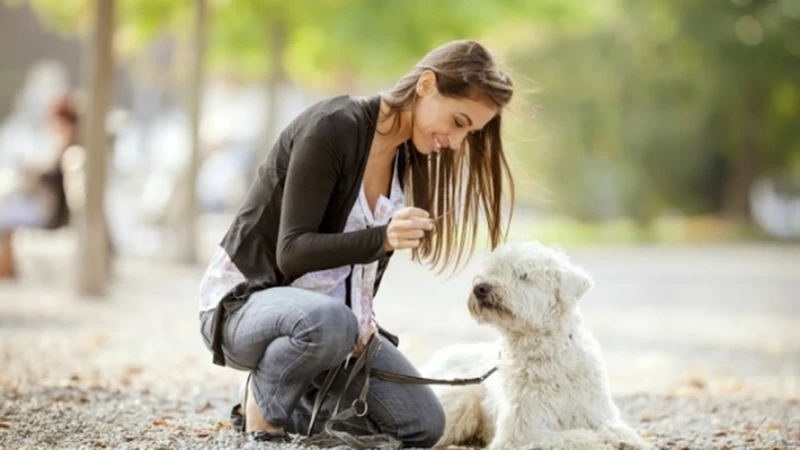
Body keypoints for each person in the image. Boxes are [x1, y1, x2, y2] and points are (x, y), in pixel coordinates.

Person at [197, 39, 515, 447]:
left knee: (423, 425)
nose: (455, 142)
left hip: (332, 328)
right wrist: (381, 239)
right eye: (458, 121)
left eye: (468, 132)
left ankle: (297, 401)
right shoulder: (334, 126)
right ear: (426, 85)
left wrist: (364, 325)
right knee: (332, 322)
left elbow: (357, 275)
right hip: (245, 306)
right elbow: (292, 252)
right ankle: (263, 412)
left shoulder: (406, 158)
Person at [0, 96, 75, 278]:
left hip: (50, 212)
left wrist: (32, 174)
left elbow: (52, 178)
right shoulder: (67, 146)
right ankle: (7, 268)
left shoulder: (69, 148)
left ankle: (6, 270)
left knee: (2, 218)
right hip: (49, 208)